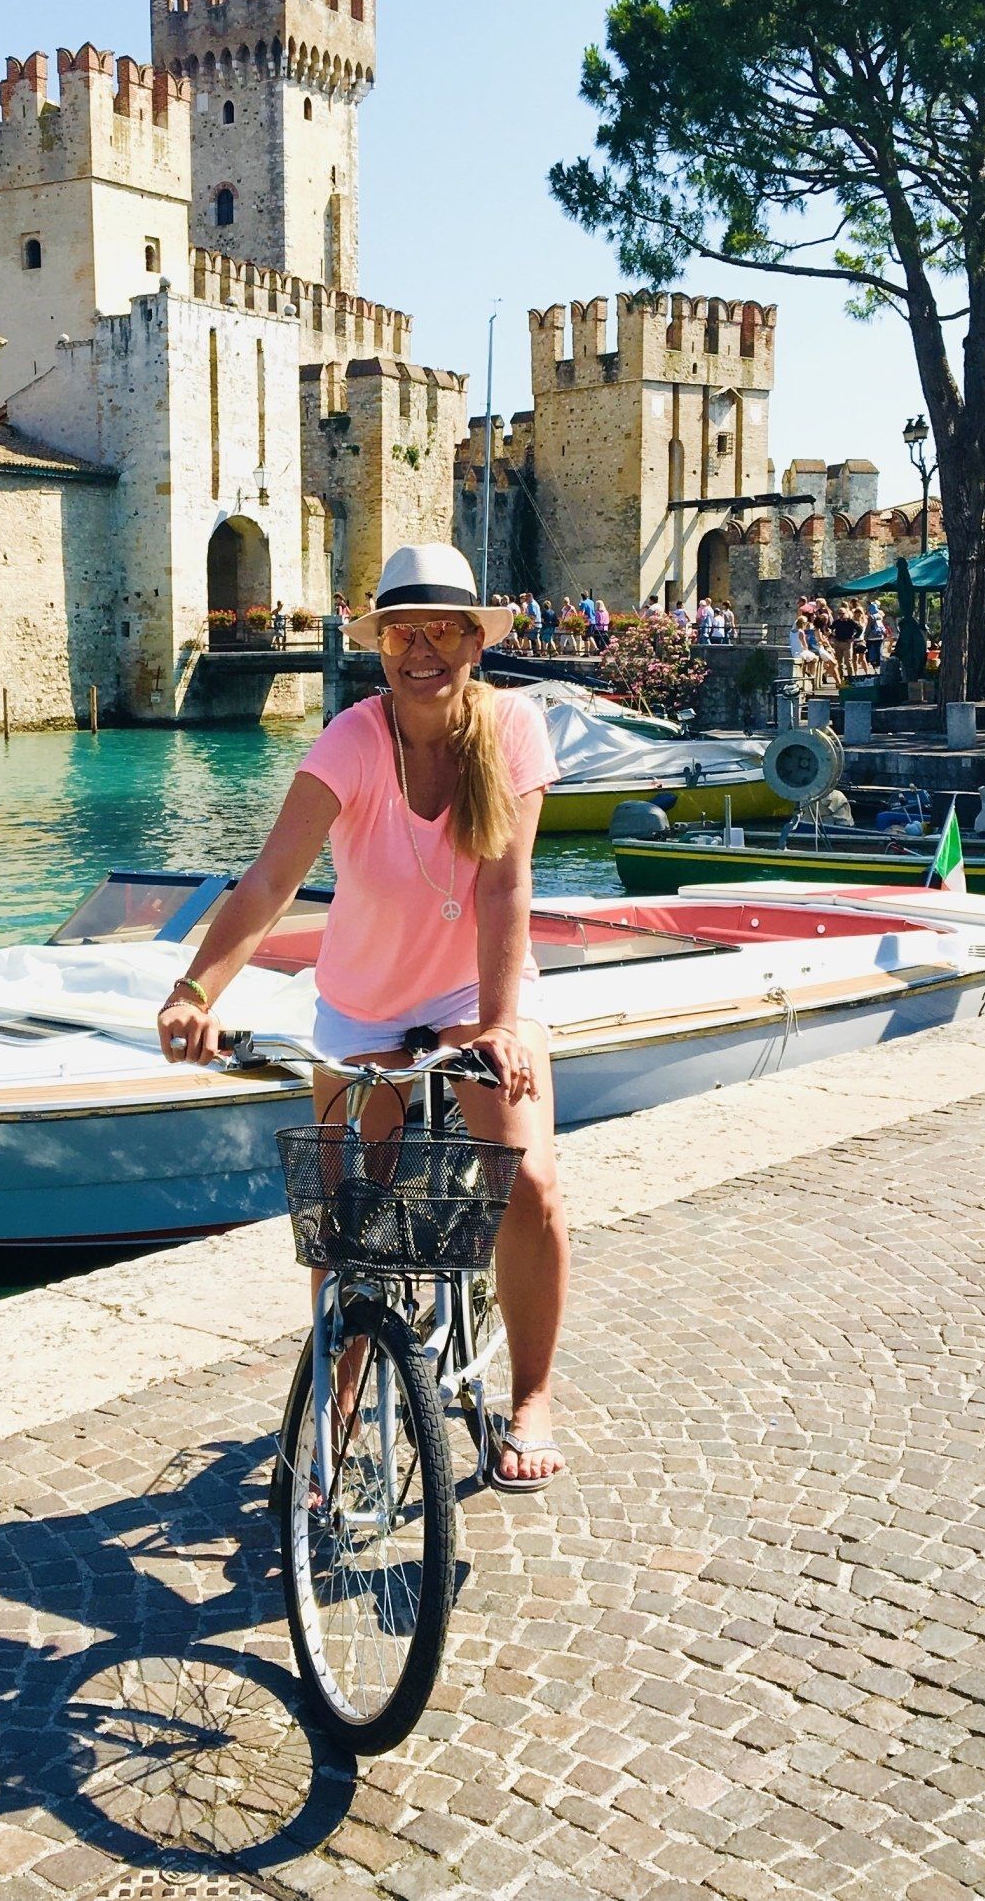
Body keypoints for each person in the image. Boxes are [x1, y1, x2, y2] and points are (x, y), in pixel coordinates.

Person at [155, 543, 570, 1489]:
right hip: (361, 1003)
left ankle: (532, 1398)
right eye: (399, 634)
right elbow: (271, 878)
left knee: (530, 1182)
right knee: (351, 1220)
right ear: (379, 646)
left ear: (475, 640)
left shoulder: (513, 727)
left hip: (476, 994)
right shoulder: (351, 738)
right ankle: (337, 1402)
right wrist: (195, 992)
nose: (420, 650)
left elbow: (505, 886)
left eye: (440, 631)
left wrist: (501, 1022)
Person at [864, 598, 886, 671]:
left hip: (871, 636)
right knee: (879, 650)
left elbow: (869, 627)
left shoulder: (871, 616)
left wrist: (865, 636)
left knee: (871, 650)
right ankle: (879, 662)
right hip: (879, 635)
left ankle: (873, 662)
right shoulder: (879, 615)